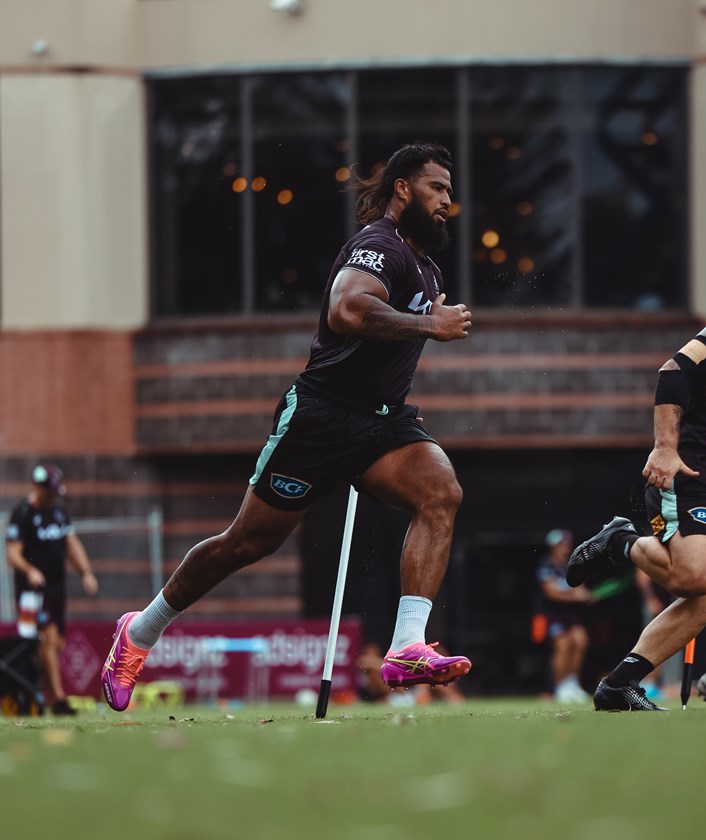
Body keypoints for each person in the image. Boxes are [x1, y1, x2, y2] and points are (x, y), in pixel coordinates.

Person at [101, 142, 473, 712]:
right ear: (403, 189)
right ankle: (140, 631)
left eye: (450, 190)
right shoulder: (378, 245)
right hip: (321, 418)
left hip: (382, 424)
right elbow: (345, 311)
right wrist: (428, 322)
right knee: (247, 543)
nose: (448, 199)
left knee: (441, 491)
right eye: (436, 188)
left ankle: (406, 648)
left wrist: (423, 320)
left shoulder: (426, 265)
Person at [566, 325, 706, 711]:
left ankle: (618, 685)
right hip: (689, 470)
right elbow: (673, 372)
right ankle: (620, 542)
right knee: (694, 579)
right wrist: (664, 446)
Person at [6, 464, 99, 715]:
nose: (53, 496)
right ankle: (58, 700)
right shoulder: (22, 514)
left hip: (57, 591)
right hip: (30, 594)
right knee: (45, 638)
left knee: (56, 644)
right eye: (49, 491)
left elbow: (71, 545)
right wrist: (30, 570)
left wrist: (86, 573)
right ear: (37, 487)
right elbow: (12, 553)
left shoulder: (59, 511)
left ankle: (34, 684)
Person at [535, 529, 593, 703]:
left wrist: (584, 595)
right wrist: (575, 596)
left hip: (571, 613)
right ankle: (560, 687)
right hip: (554, 613)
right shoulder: (546, 565)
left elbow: (580, 587)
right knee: (563, 646)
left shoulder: (570, 564)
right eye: (561, 544)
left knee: (581, 641)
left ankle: (572, 684)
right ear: (553, 547)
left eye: (567, 544)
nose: (565, 548)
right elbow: (551, 592)